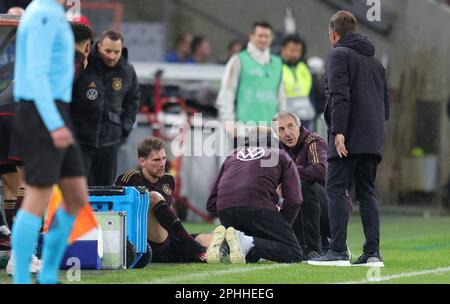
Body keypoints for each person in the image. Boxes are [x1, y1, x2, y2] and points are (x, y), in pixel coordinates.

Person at [11, 0, 89, 284]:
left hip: (56, 111)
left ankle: (47, 276)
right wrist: (54, 123)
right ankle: (20, 277)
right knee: (37, 196)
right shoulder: (43, 14)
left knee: (76, 196)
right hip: (41, 111)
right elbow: (37, 72)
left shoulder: (52, 14)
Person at [309, 11, 389, 267]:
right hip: (372, 138)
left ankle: (338, 251)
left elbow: (338, 96)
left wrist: (339, 131)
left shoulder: (337, 55)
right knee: (366, 192)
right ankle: (373, 253)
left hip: (347, 135)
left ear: (333, 34)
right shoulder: (376, 63)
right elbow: (385, 107)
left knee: (335, 188)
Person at [205, 128, 303, 264]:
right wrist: (284, 224)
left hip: (225, 211)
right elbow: (295, 200)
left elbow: (211, 202)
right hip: (257, 207)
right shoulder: (281, 155)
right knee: (293, 252)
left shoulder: (232, 154)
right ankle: (245, 240)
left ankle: (228, 242)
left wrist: (235, 209)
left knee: (250, 256)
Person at [115, 136, 209, 262]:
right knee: (152, 196)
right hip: (144, 241)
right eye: (156, 160)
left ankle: (236, 249)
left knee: (213, 238)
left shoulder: (168, 180)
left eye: (164, 158)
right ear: (142, 162)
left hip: (167, 240)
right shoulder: (129, 179)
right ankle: (191, 248)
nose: (162, 164)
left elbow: (168, 214)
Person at [71, 29, 141, 186]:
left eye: (116, 52)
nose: (112, 56)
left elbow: (133, 100)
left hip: (110, 141)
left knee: (106, 189)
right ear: (99, 46)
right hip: (81, 141)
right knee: (80, 189)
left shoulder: (127, 71)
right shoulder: (84, 65)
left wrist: (125, 127)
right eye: (108, 50)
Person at [272, 111, 328, 259]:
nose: (287, 133)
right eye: (281, 129)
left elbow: (320, 171)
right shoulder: (277, 150)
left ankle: (315, 247)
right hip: (303, 209)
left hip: (331, 207)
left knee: (302, 186)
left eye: (290, 126)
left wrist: (288, 174)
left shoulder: (314, 141)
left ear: (299, 126)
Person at [216, 21, 285, 138]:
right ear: (251, 36)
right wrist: (228, 122)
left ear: (271, 38)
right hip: (244, 130)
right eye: (260, 36)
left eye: (267, 36)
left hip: (270, 131)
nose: (263, 39)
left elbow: (281, 98)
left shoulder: (278, 63)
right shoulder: (238, 60)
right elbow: (227, 92)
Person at [279, 34, 315, 130]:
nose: (295, 54)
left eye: (298, 51)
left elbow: (311, 93)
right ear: (283, 49)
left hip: (305, 119)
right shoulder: (275, 67)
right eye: (292, 50)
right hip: (283, 120)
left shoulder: (304, 68)